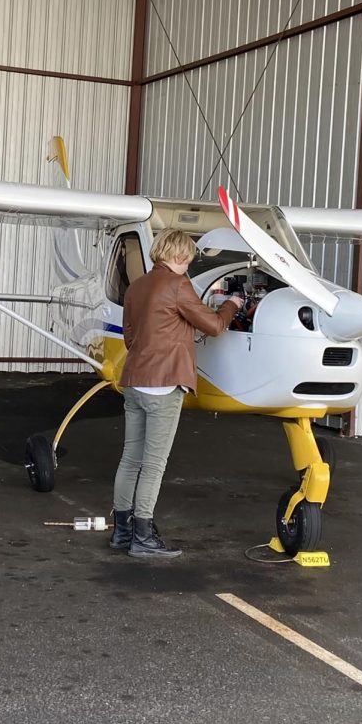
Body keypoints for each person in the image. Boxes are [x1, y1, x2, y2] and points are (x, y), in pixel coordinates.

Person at [110, 229, 243, 559]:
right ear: (181, 256)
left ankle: (122, 532)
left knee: (130, 459)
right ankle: (143, 537)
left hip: (134, 381)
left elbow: (129, 338)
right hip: (164, 386)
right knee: (154, 465)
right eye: (189, 259)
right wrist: (232, 304)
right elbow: (212, 325)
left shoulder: (137, 285)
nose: (189, 265)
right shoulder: (177, 284)